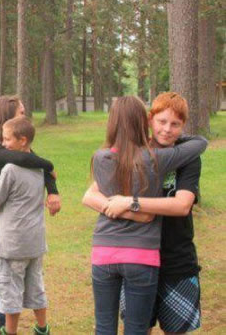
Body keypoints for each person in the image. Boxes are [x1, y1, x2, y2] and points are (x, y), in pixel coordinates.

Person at [81, 96, 207, 335]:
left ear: (183, 126)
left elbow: (182, 205)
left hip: (176, 260)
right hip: (138, 257)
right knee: (140, 328)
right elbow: (90, 196)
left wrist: (132, 203)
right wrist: (127, 210)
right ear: (149, 119)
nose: (167, 130)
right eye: (161, 121)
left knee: (175, 329)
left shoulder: (187, 159)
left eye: (175, 125)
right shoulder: (132, 153)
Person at [0, 96, 60, 335]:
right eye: (20, 112)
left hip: (13, 225)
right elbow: (26, 160)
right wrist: (49, 163)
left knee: (3, 282)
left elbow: (33, 164)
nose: (24, 116)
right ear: (7, 115)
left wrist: (53, 191)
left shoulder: (18, 145)